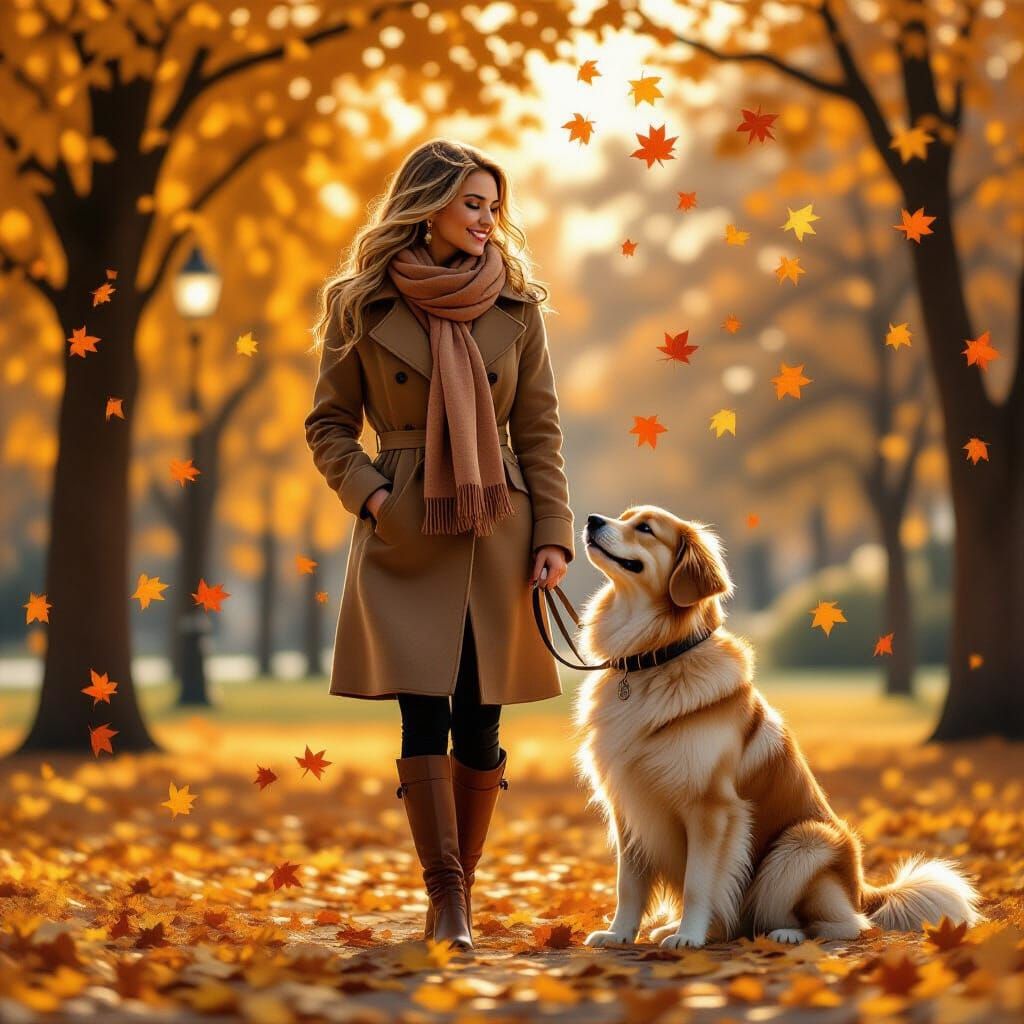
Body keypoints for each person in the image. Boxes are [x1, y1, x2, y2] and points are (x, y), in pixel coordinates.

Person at [304, 139, 575, 951]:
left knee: (480, 720)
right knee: (421, 714)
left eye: (494, 205)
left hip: (499, 529)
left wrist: (554, 533)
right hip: (407, 531)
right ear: (428, 206)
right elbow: (326, 426)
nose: (489, 220)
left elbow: (539, 431)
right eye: (472, 204)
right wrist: (377, 496)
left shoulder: (518, 311)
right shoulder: (360, 306)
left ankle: (460, 891)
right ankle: (446, 895)